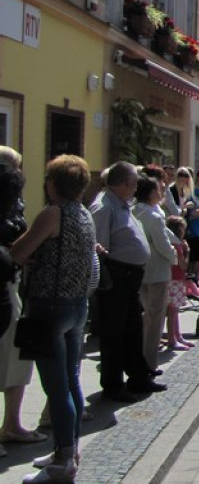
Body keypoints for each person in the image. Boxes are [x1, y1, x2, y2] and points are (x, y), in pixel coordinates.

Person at [12, 155, 95, 482]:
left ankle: (63, 461)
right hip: (76, 305)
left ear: (54, 183)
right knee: (71, 380)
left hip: (50, 306)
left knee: (56, 386)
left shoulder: (52, 213)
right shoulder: (84, 214)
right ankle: (68, 448)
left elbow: (19, 252)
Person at [92, 162, 162, 402]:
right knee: (114, 334)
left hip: (131, 278)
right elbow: (100, 249)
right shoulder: (104, 208)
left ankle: (139, 378)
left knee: (132, 330)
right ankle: (112, 386)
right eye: (133, 185)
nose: (136, 189)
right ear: (123, 184)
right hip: (115, 278)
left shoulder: (122, 204)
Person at [0, 149, 43, 453]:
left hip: (12, 285)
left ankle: (11, 424)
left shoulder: (14, 204)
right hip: (4, 282)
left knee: (16, 356)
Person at [133, 174, 177, 373]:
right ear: (152, 194)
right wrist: (176, 256)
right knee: (156, 318)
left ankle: (141, 354)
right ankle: (149, 363)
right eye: (159, 189)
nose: (161, 192)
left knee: (146, 316)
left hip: (140, 270)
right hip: (158, 271)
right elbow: (162, 244)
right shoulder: (153, 216)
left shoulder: (135, 211)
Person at [165, 216, 198, 351]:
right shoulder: (178, 247)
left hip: (170, 279)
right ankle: (172, 339)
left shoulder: (169, 244)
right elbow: (184, 266)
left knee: (174, 310)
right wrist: (187, 252)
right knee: (173, 311)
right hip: (176, 280)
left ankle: (177, 336)